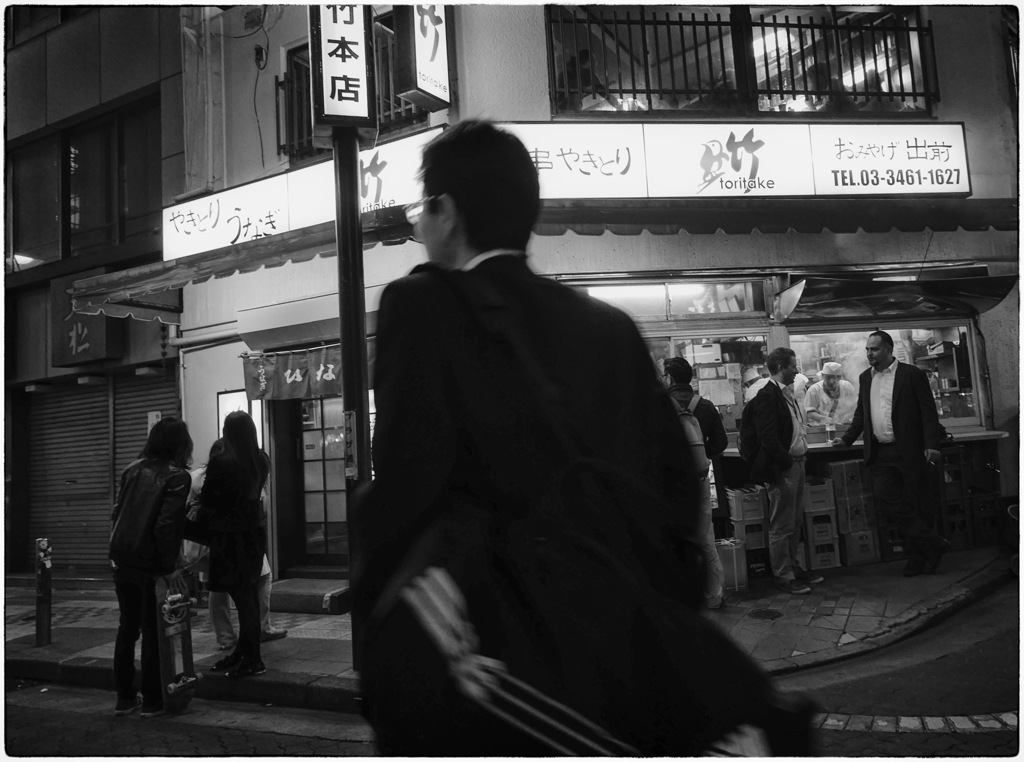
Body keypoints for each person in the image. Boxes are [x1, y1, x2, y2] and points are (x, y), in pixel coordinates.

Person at [350, 120, 797, 756]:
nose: (420, 225)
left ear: (447, 213)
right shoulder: (608, 328)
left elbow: (403, 490)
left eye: (425, 207)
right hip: (617, 658)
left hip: (498, 664)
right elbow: (674, 491)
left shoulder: (422, 308)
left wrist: (382, 640)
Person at [831, 330, 949, 576]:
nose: (869, 354)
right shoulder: (866, 378)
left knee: (916, 504)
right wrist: (847, 438)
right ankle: (933, 543)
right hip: (881, 453)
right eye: (867, 350)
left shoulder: (911, 375)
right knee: (889, 501)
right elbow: (861, 415)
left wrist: (933, 444)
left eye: (873, 349)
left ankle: (919, 557)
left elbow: (927, 412)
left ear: (888, 349)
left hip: (910, 451)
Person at [109, 417, 194, 718]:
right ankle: (154, 700)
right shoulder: (178, 476)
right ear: (180, 444)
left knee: (127, 628)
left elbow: (117, 512)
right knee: (153, 630)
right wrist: (169, 567)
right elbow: (166, 526)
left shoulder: (131, 469)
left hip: (121, 557)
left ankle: (124, 698)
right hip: (150, 563)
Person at [190, 411, 271, 678]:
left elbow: (210, 501)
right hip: (253, 536)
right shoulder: (261, 460)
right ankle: (245, 653)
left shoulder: (222, 462)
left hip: (228, 536)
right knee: (248, 595)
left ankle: (252, 657)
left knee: (242, 597)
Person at [747, 348, 824, 595]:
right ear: (781, 367)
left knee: (795, 521)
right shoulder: (767, 395)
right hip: (784, 467)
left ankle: (794, 567)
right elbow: (767, 436)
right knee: (781, 524)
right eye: (793, 365)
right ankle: (783, 575)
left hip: (797, 463)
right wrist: (786, 461)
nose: (797, 370)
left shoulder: (787, 394)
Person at [185, 465, 286, 650]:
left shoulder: (197, 477)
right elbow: (259, 508)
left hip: (209, 541)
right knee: (262, 578)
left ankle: (225, 637)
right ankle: (260, 630)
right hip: (239, 539)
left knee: (217, 587)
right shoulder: (243, 472)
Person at [664, 356, 728, 608]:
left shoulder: (657, 406)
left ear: (668, 377)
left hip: (669, 482)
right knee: (706, 538)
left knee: (671, 538)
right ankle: (714, 595)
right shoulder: (705, 406)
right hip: (700, 480)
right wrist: (702, 457)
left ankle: (679, 598)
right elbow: (721, 443)